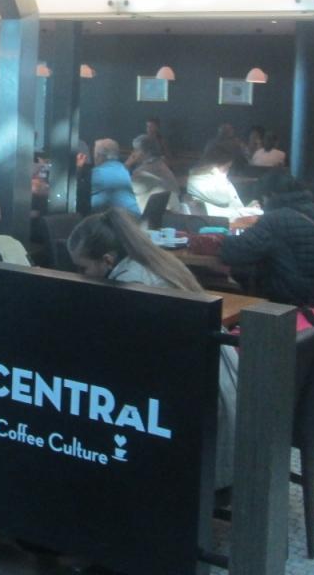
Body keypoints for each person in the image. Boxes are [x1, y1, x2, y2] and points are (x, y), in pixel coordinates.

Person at [67, 208, 238, 489]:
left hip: (200, 415)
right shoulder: (156, 261)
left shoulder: (130, 285)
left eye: (83, 268)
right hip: (222, 389)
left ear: (107, 260)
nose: (79, 276)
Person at [219, 170, 314, 307]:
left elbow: (237, 252)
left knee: (238, 273)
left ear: (271, 195)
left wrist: (218, 241)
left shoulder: (274, 219)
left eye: (262, 198)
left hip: (292, 295)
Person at [185, 147, 251, 220]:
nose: (228, 171)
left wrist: (248, 209)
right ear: (216, 164)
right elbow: (224, 198)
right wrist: (219, 174)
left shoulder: (216, 178)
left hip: (234, 218)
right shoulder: (198, 180)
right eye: (227, 167)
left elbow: (236, 205)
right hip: (223, 223)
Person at [127, 133, 177, 216]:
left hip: (151, 218)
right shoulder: (161, 165)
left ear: (146, 152)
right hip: (170, 214)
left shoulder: (142, 172)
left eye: (135, 150)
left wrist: (127, 165)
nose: (133, 153)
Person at [89, 138, 140, 216]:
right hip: (135, 218)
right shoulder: (124, 169)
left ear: (99, 156)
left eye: (94, 154)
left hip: (121, 221)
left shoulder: (96, 173)